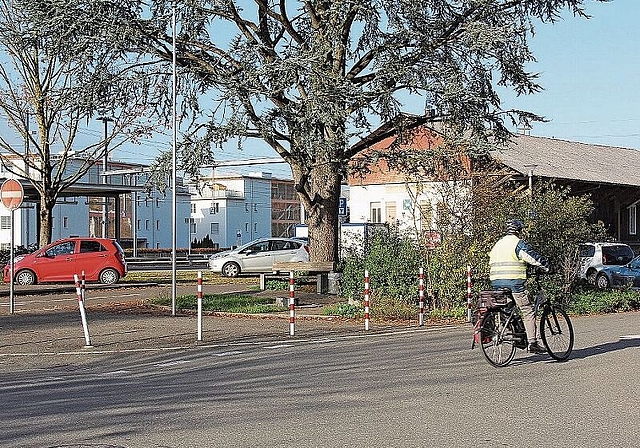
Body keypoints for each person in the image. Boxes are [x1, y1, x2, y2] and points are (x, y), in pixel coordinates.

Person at [489, 219, 550, 354]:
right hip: (514, 282)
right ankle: (532, 343)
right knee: (527, 310)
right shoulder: (517, 243)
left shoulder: (498, 244)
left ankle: (511, 333)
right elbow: (531, 257)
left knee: (508, 310)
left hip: (496, 282)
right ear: (518, 231)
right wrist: (546, 266)